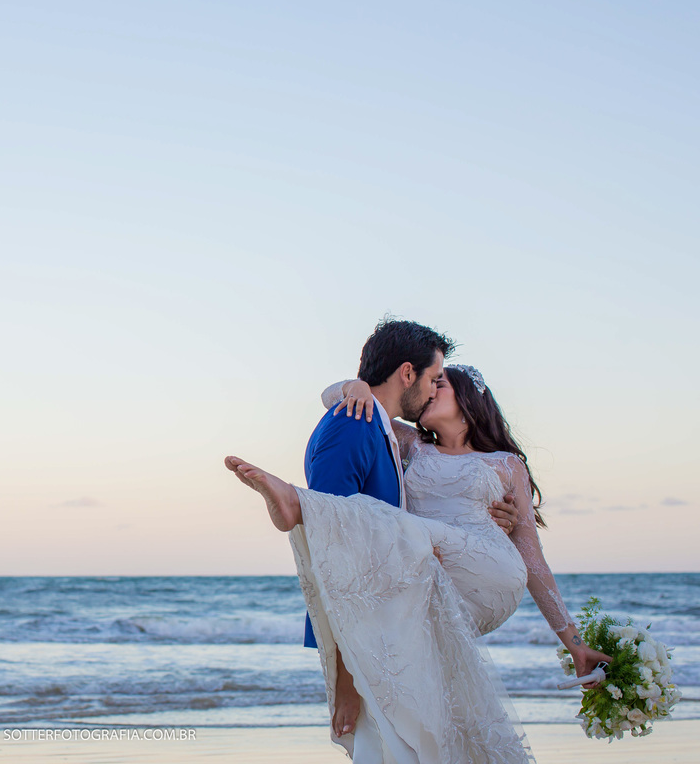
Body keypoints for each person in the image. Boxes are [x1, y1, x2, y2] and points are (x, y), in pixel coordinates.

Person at [224, 321, 608, 763]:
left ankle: (302, 506)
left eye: (439, 385)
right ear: (410, 374)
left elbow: (533, 558)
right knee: (429, 697)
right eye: (431, 380)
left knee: (381, 528)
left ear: (466, 402)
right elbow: (341, 400)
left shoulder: (505, 465)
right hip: (433, 581)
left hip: (488, 570)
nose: (430, 391)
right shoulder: (409, 445)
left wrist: (574, 642)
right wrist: (356, 385)